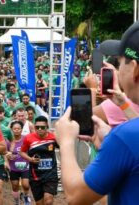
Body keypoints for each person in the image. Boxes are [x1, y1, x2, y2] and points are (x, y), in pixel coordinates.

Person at [55, 21, 139, 204]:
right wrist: (124, 105)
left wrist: (66, 142)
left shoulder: (126, 136)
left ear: (135, 68)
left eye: (120, 62)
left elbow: (76, 195)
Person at [20, 116, 58, 205]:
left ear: (47, 127)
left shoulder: (53, 137)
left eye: (42, 127)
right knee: (39, 203)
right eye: (37, 127)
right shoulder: (28, 138)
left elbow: (64, 147)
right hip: (35, 176)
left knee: (48, 201)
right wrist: (30, 159)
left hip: (50, 174)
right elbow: (22, 152)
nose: (39, 129)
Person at [7, 121, 31, 205]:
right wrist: (9, 156)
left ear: (21, 129)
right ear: (12, 130)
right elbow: (5, 153)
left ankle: (26, 197)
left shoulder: (26, 139)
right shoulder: (9, 141)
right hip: (13, 167)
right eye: (14, 129)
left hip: (25, 166)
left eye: (18, 128)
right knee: (15, 185)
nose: (16, 130)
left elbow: (31, 150)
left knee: (26, 185)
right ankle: (17, 202)